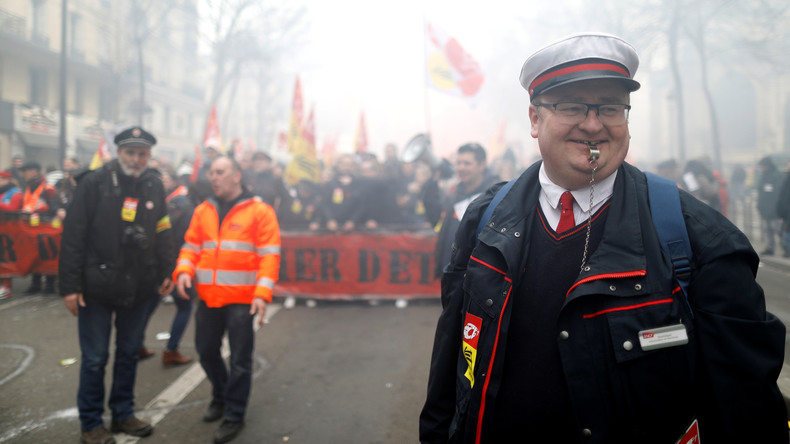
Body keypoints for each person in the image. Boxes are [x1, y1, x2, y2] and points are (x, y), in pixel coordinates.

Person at [419, 32, 787, 444]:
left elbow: (747, 405)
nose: (593, 124)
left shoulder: (696, 236)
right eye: (572, 107)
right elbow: (452, 354)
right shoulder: (483, 219)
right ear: (535, 120)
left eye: (610, 108)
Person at [59, 126, 175, 444]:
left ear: (149, 156)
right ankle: (92, 424)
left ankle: (123, 414)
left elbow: (163, 228)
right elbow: (73, 237)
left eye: (142, 154)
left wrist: (168, 269)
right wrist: (70, 287)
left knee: (128, 353)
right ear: (117, 153)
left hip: (139, 287)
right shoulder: (93, 182)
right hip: (96, 288)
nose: (136, 159)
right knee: (95, 358)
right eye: (130, 153)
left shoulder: (152, 183)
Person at [173, 156, 281, 444]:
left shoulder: (260, 211)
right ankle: (221, 395)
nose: (214, 177)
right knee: (206, 351)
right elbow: (190, 246)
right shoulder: (203, 210)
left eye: (220, 172)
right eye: (212, 173)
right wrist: (183, 270)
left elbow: (270, 255)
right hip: (208, 297)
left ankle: (234, 414)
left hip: (242, 299)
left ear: (237, 176)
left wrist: (262, 293)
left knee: (240, 360)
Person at [431, 142, 498, 278]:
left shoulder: (495, 196)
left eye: (467, 163)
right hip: (452, 274)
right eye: (459, 163)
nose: (461, 168)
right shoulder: (454, 194)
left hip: (479, 276)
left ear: (482, 165)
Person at [159, 166, 197, 366]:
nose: (163, 181)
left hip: (176, 259)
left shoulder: (178, 201)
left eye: (166, 178)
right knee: (150, 303)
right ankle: (170, 349)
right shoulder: (167, 199)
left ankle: (170, 350)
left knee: (183, 304)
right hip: (167, 259)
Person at [19, 160, 59, 294]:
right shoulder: (28, 188)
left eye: (25, 171)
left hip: (46, 228)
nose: (23, 174)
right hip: (31, 228)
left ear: (34, 171)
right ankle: (35, 284)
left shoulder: (48, 189)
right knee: (33, 255)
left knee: (47, 255)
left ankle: (49, 285)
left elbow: (55, 208)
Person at [0, 170, 22, 299]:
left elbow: (14, 208)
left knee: (6, 258)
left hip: (9, 232)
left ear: (8, 180)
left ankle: (7, 287)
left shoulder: (16, 193)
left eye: (1, 179)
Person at [756, 155, 784, 256]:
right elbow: (760, 191)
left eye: (762, 166)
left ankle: (786, 247)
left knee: (778, 230)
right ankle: (769, 248)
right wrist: (759, 205)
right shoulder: (763, 176)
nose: (761, 169)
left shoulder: (777, 176)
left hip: (774, 209)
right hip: (765, 208)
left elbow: (779, 193)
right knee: (767, 230)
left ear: (766, 166)